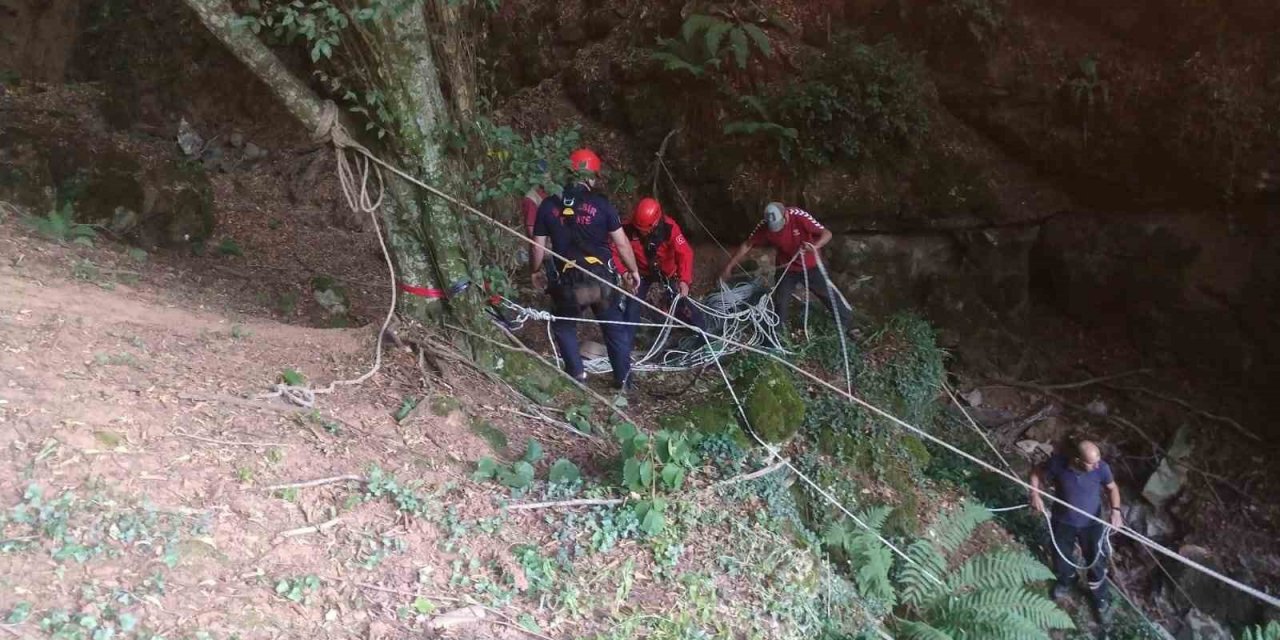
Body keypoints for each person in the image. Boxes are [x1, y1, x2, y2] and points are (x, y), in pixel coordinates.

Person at [530, 148, 641, 390]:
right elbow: (622, 243)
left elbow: (537, 247)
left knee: (563, 325)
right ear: (591, 177)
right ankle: (623, 381)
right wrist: (633, 271)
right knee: (613, 328)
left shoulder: (549, 205)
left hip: (570, 282)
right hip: (600, 281)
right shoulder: (602, 205)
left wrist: (535, 270)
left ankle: (577, 374)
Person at [717, 202, 853, 333]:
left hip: (811, 265)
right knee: (781, 301)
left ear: (785, 215)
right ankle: (778, 333)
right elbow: (747, 245)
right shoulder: (764, 224)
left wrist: (815, 246)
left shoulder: (798, 216)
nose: (777, 229)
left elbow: (827, 233)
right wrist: (728, 268)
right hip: (787, 268)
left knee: (828, 295)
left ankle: (847, 325)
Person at [1030, 439, 1124, 623]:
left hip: (1092, 523)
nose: (1097, 465)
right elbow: (1036, 473)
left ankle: (1100, 598)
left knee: (1096, 560)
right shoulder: (1057, 464)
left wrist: (1116, 511)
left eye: (1097, 461)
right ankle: (1067, 580)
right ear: (1077, 460)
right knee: (1060, 555)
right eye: (1092, 462)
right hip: (1063, 520)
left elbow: (1112, 488)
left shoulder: (1101, 468)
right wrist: (1035, 494)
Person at [614, 197, 704, 340]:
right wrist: (625, 273)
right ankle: (625, 348)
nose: (641, 232)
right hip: (641, 273)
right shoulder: (627, 228)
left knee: (682, 304)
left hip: (668, 272)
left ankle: (703, 336)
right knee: (632, 307)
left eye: (644, 230)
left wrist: (684, 280)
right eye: (638, 229)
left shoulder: (669, 228)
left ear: (655, 223)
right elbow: (614, 250)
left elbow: (685, 253)